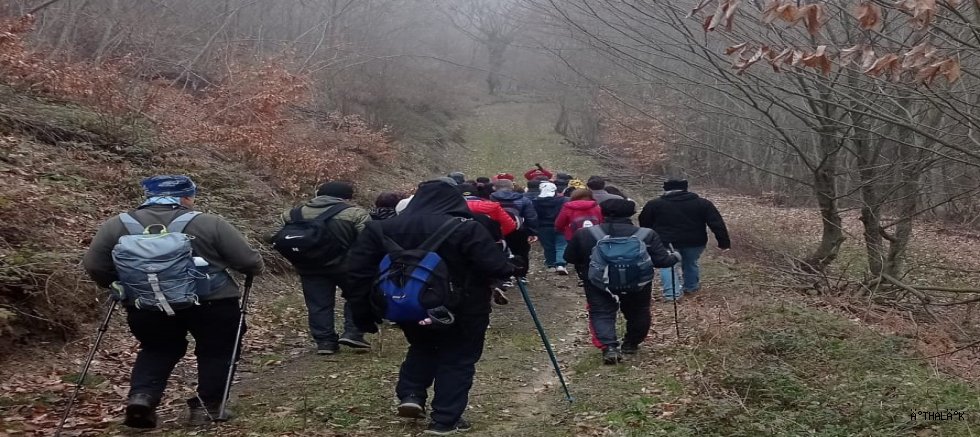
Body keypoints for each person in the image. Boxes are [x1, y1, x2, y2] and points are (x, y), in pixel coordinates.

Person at [82, 175, 264, 428]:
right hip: (212, 302)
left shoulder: (116, 225)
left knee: (157, 349)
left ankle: (142, 399)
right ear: (187, 197)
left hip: (146, 304)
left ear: (147, 196)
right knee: (216, 351)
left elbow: (94, 266)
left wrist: (119, 285)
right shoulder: (210, 223)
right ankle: (206, 407)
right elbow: (250, 263)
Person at [345, 179, 521, 435]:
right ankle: (445, 419)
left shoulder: (380, 229)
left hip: (407, 304)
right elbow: (495, 267)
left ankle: (412, 395)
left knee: (422, 346)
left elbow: (356, 272)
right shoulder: (467, 228)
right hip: (464, 307)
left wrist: (363, 312)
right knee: (458, 357)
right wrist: (514, 266)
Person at [564, 199, 678, 364]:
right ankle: (631, 344)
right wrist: (675, 257)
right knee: (639, 312)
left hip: (598, 282)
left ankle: (609, 348)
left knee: (601, 312)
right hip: (638, 283)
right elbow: (662, 261)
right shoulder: (647, 234)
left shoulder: (585, 234)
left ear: (602, 212)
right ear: (632, 214)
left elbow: (569, 257)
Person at [279, 181, 372, 354]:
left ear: (318, 195)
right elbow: (368, 241)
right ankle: (353, 333)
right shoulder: (355, 214)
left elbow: (275, 236)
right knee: (357, 296)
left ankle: (325, 342)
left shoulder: (292, 214)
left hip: (309, 267)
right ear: (346, 197)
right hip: (347, 266)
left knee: (318, 304)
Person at [638, 179, 731, 301]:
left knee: (668, 266)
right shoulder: (702, 203)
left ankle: (672, 295)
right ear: (685, 188)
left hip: (666, 242)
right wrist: (723, 242)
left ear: (665, 189)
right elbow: (716, 223)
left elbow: (644, 222)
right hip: (695, 241)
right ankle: (691, 288)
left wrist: (648, 241)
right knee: (691, 263)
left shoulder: (654, 204)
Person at [490, 179, 539, 280]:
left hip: (496, 230)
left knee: (499, 252)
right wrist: (532, 232)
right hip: (518, 230)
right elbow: (531, 217)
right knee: (522, 252)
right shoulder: (523, 199)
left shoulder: (489, 198)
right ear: (512, 187)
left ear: (494, 187)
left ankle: (504, 277)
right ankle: (522, 275)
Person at [532, 182, 570, 275]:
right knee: (561, 245)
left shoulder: (535, 201)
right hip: (561, 225)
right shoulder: (564, 200)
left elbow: (533, 215)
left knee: (548, 246)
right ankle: (561, 264)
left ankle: (550, 264)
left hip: (543, 227)